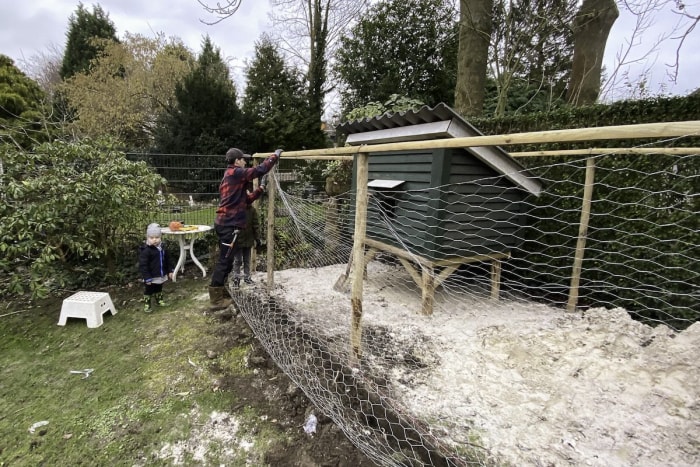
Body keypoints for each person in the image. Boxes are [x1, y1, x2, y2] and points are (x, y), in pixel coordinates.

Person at [209, 148, 282, 309]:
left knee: (227, 261)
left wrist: (260, 189)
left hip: (227, 223)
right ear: (237, 161)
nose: (245, 162)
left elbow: (246, 200)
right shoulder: (236, 173)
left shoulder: (231, 175)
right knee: (224, 261)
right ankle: (215, 299)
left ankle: (221, 291)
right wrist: (274, 156)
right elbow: (260, 169)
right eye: (243, 159)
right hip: (228, 225)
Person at [232, 183, 265, 287]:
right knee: (238, 260)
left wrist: (257, 238)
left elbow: (256, 225)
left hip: (249, 239)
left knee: (247, 260)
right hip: (237, 240)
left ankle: (247, 278)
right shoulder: (235, 210)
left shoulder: (252, 210)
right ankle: (236, 279)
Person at [138, 223, 174, 313]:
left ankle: (159, 300)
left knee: (159, 288)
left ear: (160, 237)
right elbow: (143, 265)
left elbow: (168, 260)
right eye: (152, 238)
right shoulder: (146, 251)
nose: (154, 240)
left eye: (157, 237)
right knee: (149, 290)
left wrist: (170, 270)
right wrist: (147, 278)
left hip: (160, 274)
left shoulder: (163, 248)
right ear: (147, 238)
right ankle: (147, 304)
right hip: (150, 276)